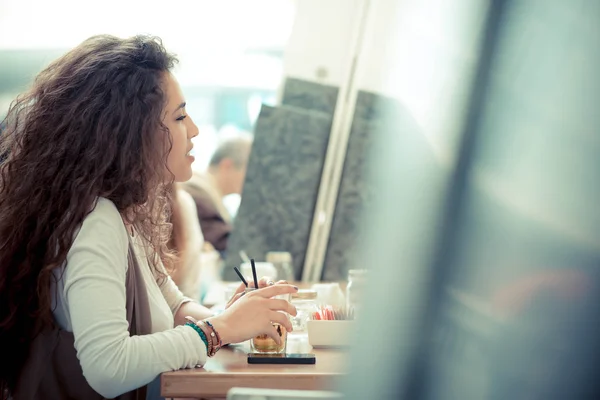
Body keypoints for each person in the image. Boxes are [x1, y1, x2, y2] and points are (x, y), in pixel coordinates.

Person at [0, 34, 297, 400]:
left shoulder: (123, 212)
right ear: (132, 132)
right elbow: (108, 366)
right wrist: (220, 329)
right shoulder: (96, 221)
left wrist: (234, 317)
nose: (194, 130)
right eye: (179, 116)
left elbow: (172, 304)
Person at [183, 134, 252, 255]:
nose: (252, 179)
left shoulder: (204, 192)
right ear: (227, 166)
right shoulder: (197, 194)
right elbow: (228, 245)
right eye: (249, 171)